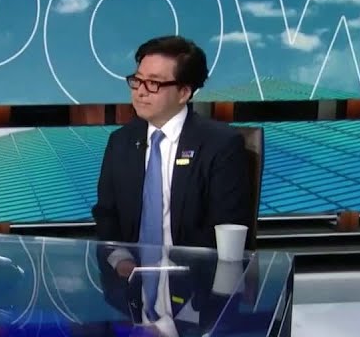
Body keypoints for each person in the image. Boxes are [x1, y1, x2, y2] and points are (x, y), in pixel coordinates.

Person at [92, 35, 254, 280]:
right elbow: (106, 214)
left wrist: (179, 268)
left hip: (195, 281)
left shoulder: (220, 144)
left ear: (184, 92)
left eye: (153, 83)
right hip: (129, 281)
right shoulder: (121, 141)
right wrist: (120, 258)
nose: (140, 92)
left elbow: (225, 225)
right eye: (137, 80)